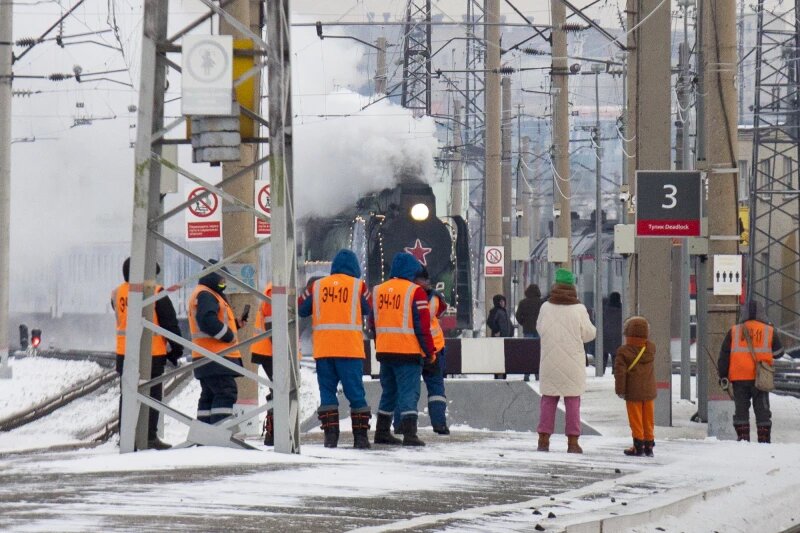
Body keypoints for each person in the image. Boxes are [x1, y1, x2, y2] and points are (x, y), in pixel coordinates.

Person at [298, 249, 373, 449]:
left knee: (327, 393)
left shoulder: (317, 286)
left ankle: (331, 438)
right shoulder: (359, 286)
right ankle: (361, 438)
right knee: (356, 394)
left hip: (324, 350)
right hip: (350, 350)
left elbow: (301, 308)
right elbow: (368, 308)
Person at [111, 257, 183, 450]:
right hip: (152, 354)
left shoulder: (117, 293)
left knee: (127, 394)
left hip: (124, 353)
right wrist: (176, 351)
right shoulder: (156, 293)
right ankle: (150, 437)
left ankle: (126, 436)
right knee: (151, 396)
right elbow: (170, 325)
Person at [372, 252, 436, 447]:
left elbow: (373, 324)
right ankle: (410, 434)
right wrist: (430, 351)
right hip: (408, 352)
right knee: (409, 393)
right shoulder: (415, 292)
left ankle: (382, 432)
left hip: (385, 351)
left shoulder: (378, 290)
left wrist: (379, 344)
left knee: (388, 392)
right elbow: (422, 326)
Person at [535, 268, 596, 454]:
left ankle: (543, 441)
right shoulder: (579, 309)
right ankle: (573, 442)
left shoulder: (545, 307)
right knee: (572, 402)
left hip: (549, 362)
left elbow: (539, 328)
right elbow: (588, 334)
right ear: (572, 287)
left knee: (548, 401)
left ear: (555, 286)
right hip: (573, 363)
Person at [393, 267, 449, 435]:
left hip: (416, 349)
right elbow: (434, 314)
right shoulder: (434, 297)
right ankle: (439, 424)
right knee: (436, 388)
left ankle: (400, 424)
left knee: (406, 388)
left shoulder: (408, 295)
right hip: (432, 348)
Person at [718, 300, 784, 443]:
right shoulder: (769, 330)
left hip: (739, 377)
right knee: (762, 411)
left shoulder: (734, 331)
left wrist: (723, 375)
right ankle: (764, 441)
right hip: (761, 378)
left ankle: (743, 440)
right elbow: (779, 353)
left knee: (741, 411)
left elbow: (724, 355)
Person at [187, 261, 244, 426]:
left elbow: (211, 320)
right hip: (216, 356)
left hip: (206, 356)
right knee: (226, 393)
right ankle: (219, 434)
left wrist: (235, 326)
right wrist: (228, 335)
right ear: (213, 277)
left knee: (209, 396)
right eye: (222, 279)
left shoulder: (204, 293)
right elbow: (206, 320)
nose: (224, 284)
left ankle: (204, 434)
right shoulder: (206, 294)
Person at [614, 316, 657, 457]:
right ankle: (649, 445)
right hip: (649, 391)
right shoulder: (650, 349)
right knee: (648, 418)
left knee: (636, 419)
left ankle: (638, 445)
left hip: (633, 391)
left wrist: (620, 390)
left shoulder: (623, 351)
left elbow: (620, 374)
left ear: (627, 333)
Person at [251, 282, 275, 446]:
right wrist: (283, 350)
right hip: (270, 351)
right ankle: (274, 433)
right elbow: (272, 323)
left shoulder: (273, 289)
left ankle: (274, 432)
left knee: (278, 390)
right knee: (280, 390)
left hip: (268, 349)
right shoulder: (275, 290)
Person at [516, 284, 544, 381]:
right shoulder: (541, 303)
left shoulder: (523, 303)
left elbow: (518, 316)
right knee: (537, 352)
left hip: (527, 330)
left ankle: (526, 374)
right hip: (539, 330)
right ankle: (537, 374)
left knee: (527, 352)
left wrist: (523, 323)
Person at [603, 292, 623, 372]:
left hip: (606, 336)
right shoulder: (622, 310)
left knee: (603, 355)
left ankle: (601, 370)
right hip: (618, 337)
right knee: (616, 357)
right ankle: (615, 372)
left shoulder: (605, 310)